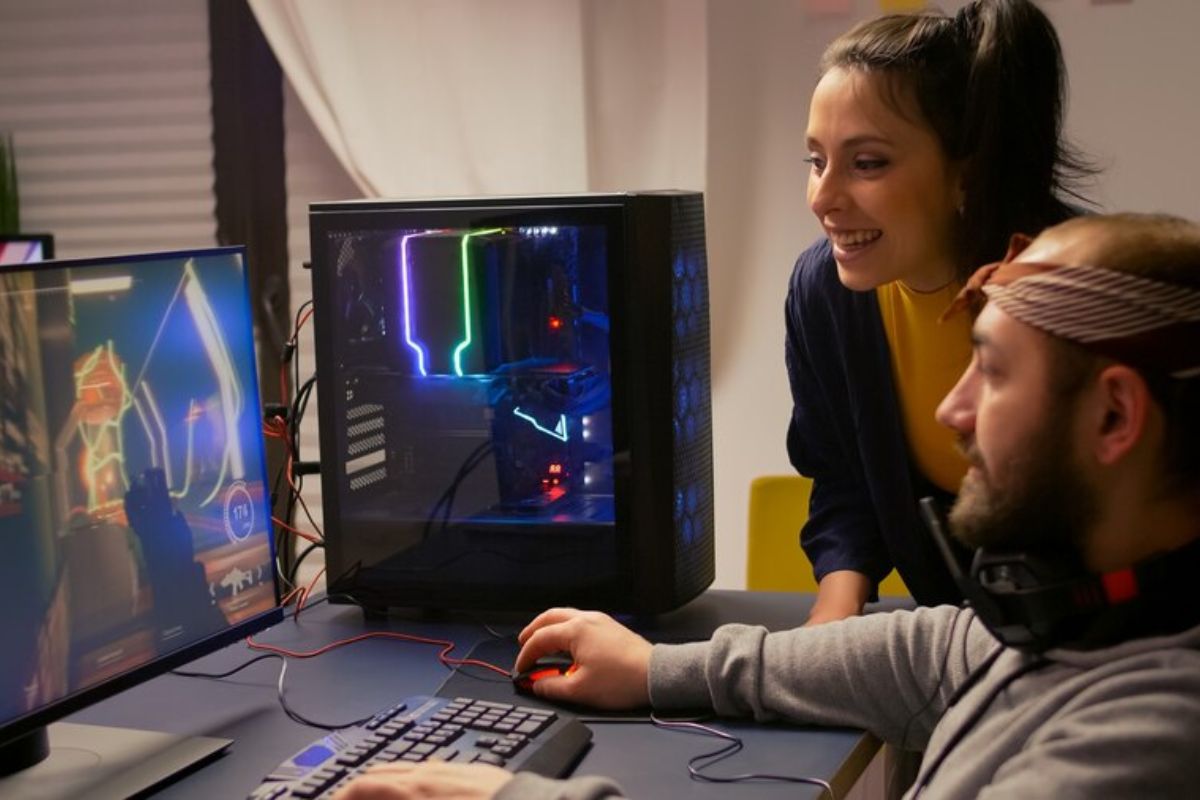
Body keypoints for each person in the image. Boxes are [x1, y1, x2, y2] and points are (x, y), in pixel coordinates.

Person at [334, 212, 1200, 798]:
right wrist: (656, 670)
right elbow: (929, 650)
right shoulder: (1083, 622)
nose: (952, 410)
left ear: (1115, 416)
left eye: (996, 374)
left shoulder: (1156, 733)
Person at [788, 0, 1095, 623]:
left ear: (966, 172)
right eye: (815, 161)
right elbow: (844, 479)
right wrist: (834, 612)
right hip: (951, 646)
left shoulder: (1076, 288)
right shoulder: (823, 292)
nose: (823, 198)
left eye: (866, 162)